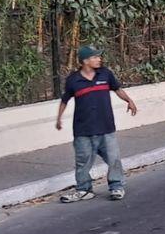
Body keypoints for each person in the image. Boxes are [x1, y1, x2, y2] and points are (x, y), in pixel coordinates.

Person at [56, 45, 138, 202]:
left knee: (114, 159)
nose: (99, 59)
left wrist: (129, 100)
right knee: (82, 163)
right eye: (95, 57)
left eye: (98, 57)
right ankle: (84, 189)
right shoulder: (74, 80)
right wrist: (59, 118)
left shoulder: (105, 74)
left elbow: (117, 89)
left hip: (106, 127)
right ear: (85, 61)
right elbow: (64, 100)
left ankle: (116, 186)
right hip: (83, 129)